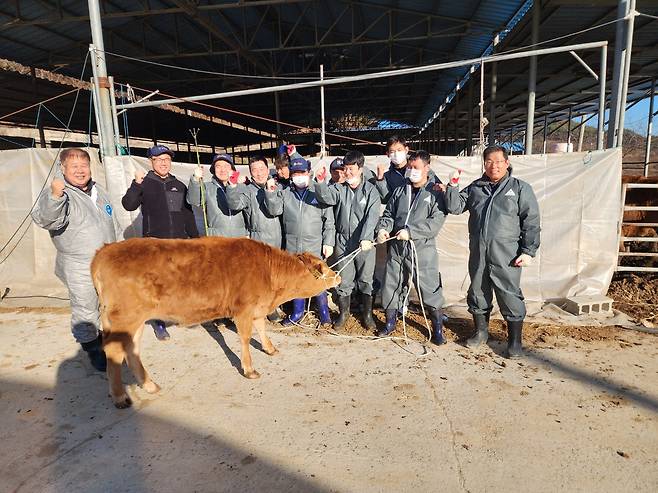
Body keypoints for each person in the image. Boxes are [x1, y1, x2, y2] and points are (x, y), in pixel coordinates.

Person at [444, 144, 540, 358]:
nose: (493, 166)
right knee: (477, 290)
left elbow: (531, 221)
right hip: (479, 250)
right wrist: (452, 186)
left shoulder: (520, 188)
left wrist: (528, 250)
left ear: (507, 163)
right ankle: (480, 332)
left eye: (498, 161)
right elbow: (455, 207)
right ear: (484, 164)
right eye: (489, 161)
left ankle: (514, 341)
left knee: (509, 293)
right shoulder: (476, 187)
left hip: (507, 253)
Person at [32, 148, 117, 371]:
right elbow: (46, 219)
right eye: (74, 166)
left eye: (84, 166)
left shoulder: (100, 191)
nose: (80, 171)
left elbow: (110, 223)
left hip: (107, 262)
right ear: (63, 169)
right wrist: (55, 197)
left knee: (108, 307)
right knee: (85, 309)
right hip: (79, 264)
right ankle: (93, 349)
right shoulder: (60, 192)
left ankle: (108, 342)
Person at [122, 144, 199, 341]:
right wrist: (136, 183)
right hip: (155, 244)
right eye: (159, 159)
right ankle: (159, 322)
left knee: (179, 281)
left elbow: (187, 214)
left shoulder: (179, 185)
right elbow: (128, 204)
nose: (163, 163)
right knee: (157, 284)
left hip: (178, 244)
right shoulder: (144, 183)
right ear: (151, 162)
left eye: (167, 159)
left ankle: (179, 315)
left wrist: (196, 240)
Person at [376, 150, 448, 345]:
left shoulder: (435, 192)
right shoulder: (400, 190)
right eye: (410, 167)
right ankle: (390, 322)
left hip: (421, 249)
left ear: (427, 168)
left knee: (429, 287)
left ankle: (437, 328)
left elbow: (435, 222)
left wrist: (411, 231)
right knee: (392, 283)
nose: (412, 171)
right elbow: (389, 214)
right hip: (398, 247)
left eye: (416, 168)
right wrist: (383, 229)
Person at [264, 156, 335, 326]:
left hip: (313, 245)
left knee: (318, 277)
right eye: (295, 173)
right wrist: (271, 193)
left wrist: (328, 242)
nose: (299, 176)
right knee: (295, 280)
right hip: (293, 245)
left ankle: (324, 312)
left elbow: (329, 220)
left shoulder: (317, 192)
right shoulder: (286, 193)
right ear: (291, 175)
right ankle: (297, 312)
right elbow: (274, 210)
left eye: (302, 172)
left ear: (308, 173)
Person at [314, 151, 381, 330]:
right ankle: (344, 314)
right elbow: (325, 198)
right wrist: (320, 183)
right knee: (344, 279)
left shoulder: (371, 191)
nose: (347, 173)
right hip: (343, 241)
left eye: (351, 169)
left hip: (364, 242)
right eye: (346, 169)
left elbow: (372, 216)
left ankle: (367, 315)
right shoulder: (339, 189)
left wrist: (367, 238)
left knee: (366, 279)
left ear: (360, 169)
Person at [187, 153, 248, 238]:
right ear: (213, 170)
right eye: (218, 166)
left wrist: (233, 187)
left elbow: (238, 206)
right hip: (216, 239)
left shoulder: (241, 186)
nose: (222, 170)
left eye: (226, 166)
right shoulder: (207, 187)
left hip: (239, 238)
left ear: (232, 169)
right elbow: (195, 201)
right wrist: (195, 179)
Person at [375, 135, 441, 203]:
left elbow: (437, 186)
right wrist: (380, 179)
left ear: (406, 150)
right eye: (392, 152)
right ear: (387, 154)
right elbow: (386, 199)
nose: (396, 154)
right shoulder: (387, 177)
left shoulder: (421, 168)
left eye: (399, 150)